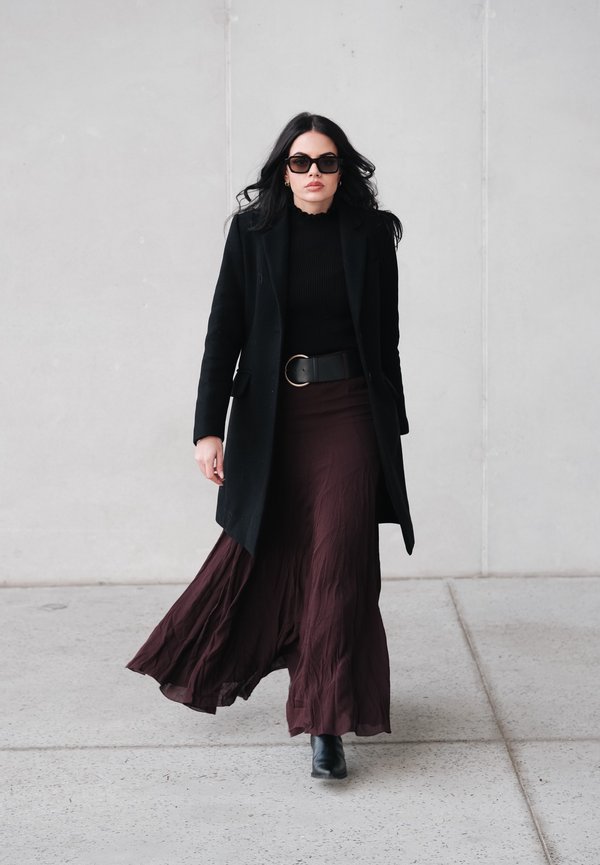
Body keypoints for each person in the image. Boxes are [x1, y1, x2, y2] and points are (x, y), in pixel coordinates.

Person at [126, 111, 414, 781]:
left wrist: (390, 427)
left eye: (327, 162)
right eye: (301, 161)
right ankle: (236, 664)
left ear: (343, 171)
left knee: (338, 563)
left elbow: (387, 338)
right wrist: (208, 428)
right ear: (283, 171)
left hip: (349, 412)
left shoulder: (372, 234)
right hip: (275, 418)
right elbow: (222, 333)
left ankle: (325, 722)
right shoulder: (253, 233)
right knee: (265, 553)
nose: (314, 173)